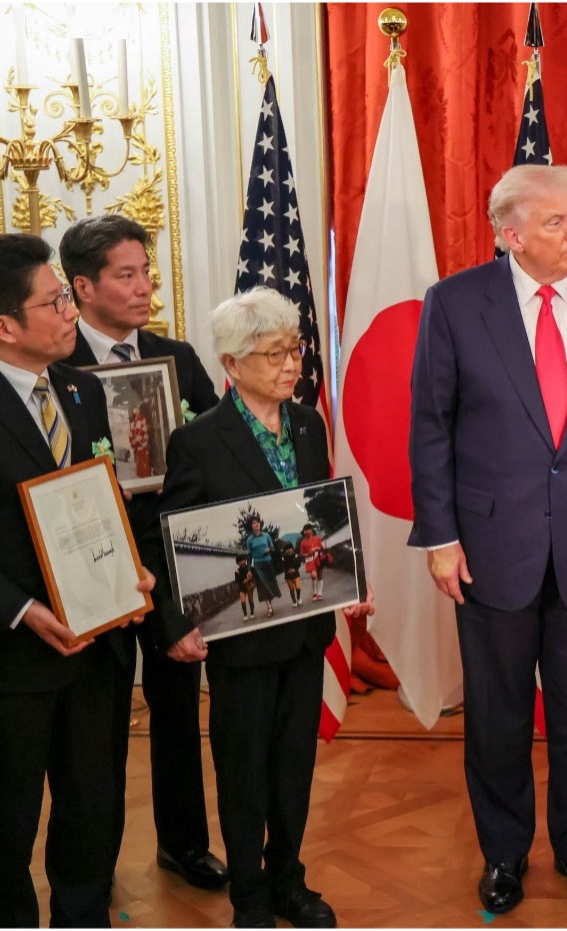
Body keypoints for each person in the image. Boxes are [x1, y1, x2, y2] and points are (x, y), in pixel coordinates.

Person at [409, 164, 567, 915]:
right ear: (509, 235)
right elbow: (430, 429)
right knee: (497, 715)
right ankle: (504, 855)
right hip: (489, 548)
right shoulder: (454, 305)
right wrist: (440, 536)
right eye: (556, 222)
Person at [0, 233, 155, 927]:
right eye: (56, 299)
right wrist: (24, 609)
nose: (71, 310)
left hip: (97, 655)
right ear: (4, 325)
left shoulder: (82, 390)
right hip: (12, 664)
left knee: (92, 810)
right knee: (9, 823)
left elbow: (100, 504)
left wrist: (130, 569)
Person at [152, 287, 375, 929]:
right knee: (244, 768)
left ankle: (290, 880)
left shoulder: (307, 424)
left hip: (305, 630)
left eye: (294, 349)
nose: (290, 364)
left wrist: (349, 577)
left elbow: (321, 517)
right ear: (231, 362)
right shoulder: (198, 440)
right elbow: (176, 540)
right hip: (240, 640)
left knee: (294, 767)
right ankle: (248, 891)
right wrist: (178, 621)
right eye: (273, 352)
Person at [59, 214, 228, 893]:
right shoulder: (56, 364)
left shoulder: (175, 356)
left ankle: (183, 843)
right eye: (125, 275)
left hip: (174, 566)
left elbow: (214, 443)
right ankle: (91, 867)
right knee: (94, 728)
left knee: (181, 713)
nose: (143, 288)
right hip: (96, 575)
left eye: (146, 272)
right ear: (82, 286)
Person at [245, 517, 282, 618]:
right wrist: (248, 570)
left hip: (268, 562)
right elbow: (249, 556)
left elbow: (273, 548)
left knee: (270, 584)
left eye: (257, 522)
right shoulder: (249, 540)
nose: (256, 524)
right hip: (258, 564)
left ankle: (270, 602)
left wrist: (269, 550)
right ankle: (269, 607)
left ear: (260, 524)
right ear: (251, 526)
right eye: (253, 523)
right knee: (262, 585)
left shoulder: (266, 536)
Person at [299, 523, 328, 602]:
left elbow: (322, 547)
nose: (307, 531)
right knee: (313, 575)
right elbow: (302, 554)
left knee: (320, 575)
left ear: (312, 530)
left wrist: (316, 548)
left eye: (308, 530)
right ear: (304, 532)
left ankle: (320, 593)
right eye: (305, 530)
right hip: (309, 560)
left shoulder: (317, 538)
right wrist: (308, 554)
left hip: (318, 558)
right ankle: (314, 592)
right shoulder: (303, 542)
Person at [281, 541, 304, 607]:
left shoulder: (296, 556)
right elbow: (283, 567)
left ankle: (299, 598)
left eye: (290, 548)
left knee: (298, 587)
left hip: (296, 573)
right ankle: (294, 601)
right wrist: (288, 570)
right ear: (285, 551)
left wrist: (295, 569)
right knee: (291, 589)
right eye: (287, 549)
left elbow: (299, 564)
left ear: (292, 549)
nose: (289, 550)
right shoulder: (283, 558)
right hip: (288, 575)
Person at [234, 555, 257, 621]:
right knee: (243, 601)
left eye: (243, 560)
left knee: (250, 600)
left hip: (249, 586)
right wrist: (246, 580)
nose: (242, 562)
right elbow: (237, 580)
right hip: (241, 588)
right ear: (237, 563)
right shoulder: (237, 571)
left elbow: (254, 575)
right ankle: (245, 615)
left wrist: (252, 582)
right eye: (239, 561)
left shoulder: (250, 568)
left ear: (245, 560)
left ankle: (252, 613)